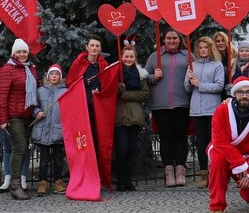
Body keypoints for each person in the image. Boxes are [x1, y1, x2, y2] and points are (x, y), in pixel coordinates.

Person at [207, 76, 249, 213]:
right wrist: (239, 164)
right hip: (221, 149)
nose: (244, 96)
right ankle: (217, 205)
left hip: (246, 153)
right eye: (240, 92)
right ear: (234, 94)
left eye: (248, 92)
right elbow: (219, 141)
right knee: (218, 162)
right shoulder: (221, 111)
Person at [144, 29, 192, 187]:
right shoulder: (155, 56)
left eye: (175, 38)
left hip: (182, 103)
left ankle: (180, 171)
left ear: (179, 40)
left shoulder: (187, 56)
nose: (172, 41)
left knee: (180, 137)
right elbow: (145, 76)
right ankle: (169, 172)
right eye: (168, 38)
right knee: (166, 138)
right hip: (161, 104)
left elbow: (194, 75)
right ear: (163, 40)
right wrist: (153, 77)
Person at [0, 38, 40, 200]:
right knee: (20, 148)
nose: (22, 54)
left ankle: (18, 183)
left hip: (28, 116)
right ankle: (15, 186)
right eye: (19, 52)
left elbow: (37, 91)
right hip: (13, 116)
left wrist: (37, 111)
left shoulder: (31, 69)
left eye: (24, 51)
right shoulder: (7, 70)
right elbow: (1, 96)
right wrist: (3, 119)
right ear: (13, 53)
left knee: (23, 148)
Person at [183, 36, 224, 189]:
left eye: (206, 47)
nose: (203, 50)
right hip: (197, 110)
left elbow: (219, 86)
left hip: (212, 108)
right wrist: (189, 80)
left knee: (214, 143)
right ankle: (203, 174)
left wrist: (200, 84)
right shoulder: (192, 65)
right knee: (201, 144)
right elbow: (187, 88)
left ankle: (216, 173)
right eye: (200, 48)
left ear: (211, 48)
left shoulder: (217, 65)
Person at [114, 44, 150, 191]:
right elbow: (110, 92)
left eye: (131, 56)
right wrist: (118, 89)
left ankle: (128, 179)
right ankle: (120, 179)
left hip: (135, 115)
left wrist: (127, 94)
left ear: (135, 58)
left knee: (132, 148)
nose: (128, 59)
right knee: (122, 148)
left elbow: (145, 94)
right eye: (126, 56)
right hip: (120, 115)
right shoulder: (117, 73)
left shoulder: (140, 75)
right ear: (121, 58)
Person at [65, 34, 108, 155]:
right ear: (87, 47)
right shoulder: (78, 63)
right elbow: (70, 83)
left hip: (97, 107)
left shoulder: (103, 65)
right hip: (81, 107)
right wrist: (83, 82)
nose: (94, 48)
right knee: (82, 137)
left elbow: (107, 84)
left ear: (100, 49)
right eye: (92, 45)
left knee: (96, 137)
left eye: (97, 46)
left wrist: (100, 91)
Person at [31, 64, 68, 197]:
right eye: (52, 74)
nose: (54, 76)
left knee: (59, 159)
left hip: (58, 131)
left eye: (57, 74)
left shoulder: (65, 91)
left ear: (60, 77)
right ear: (48, 76)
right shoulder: (40, 90)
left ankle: (58, 182)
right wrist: (38, 112)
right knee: (44, 159)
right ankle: (42, 183)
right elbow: (34, 107)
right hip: (43, 131)